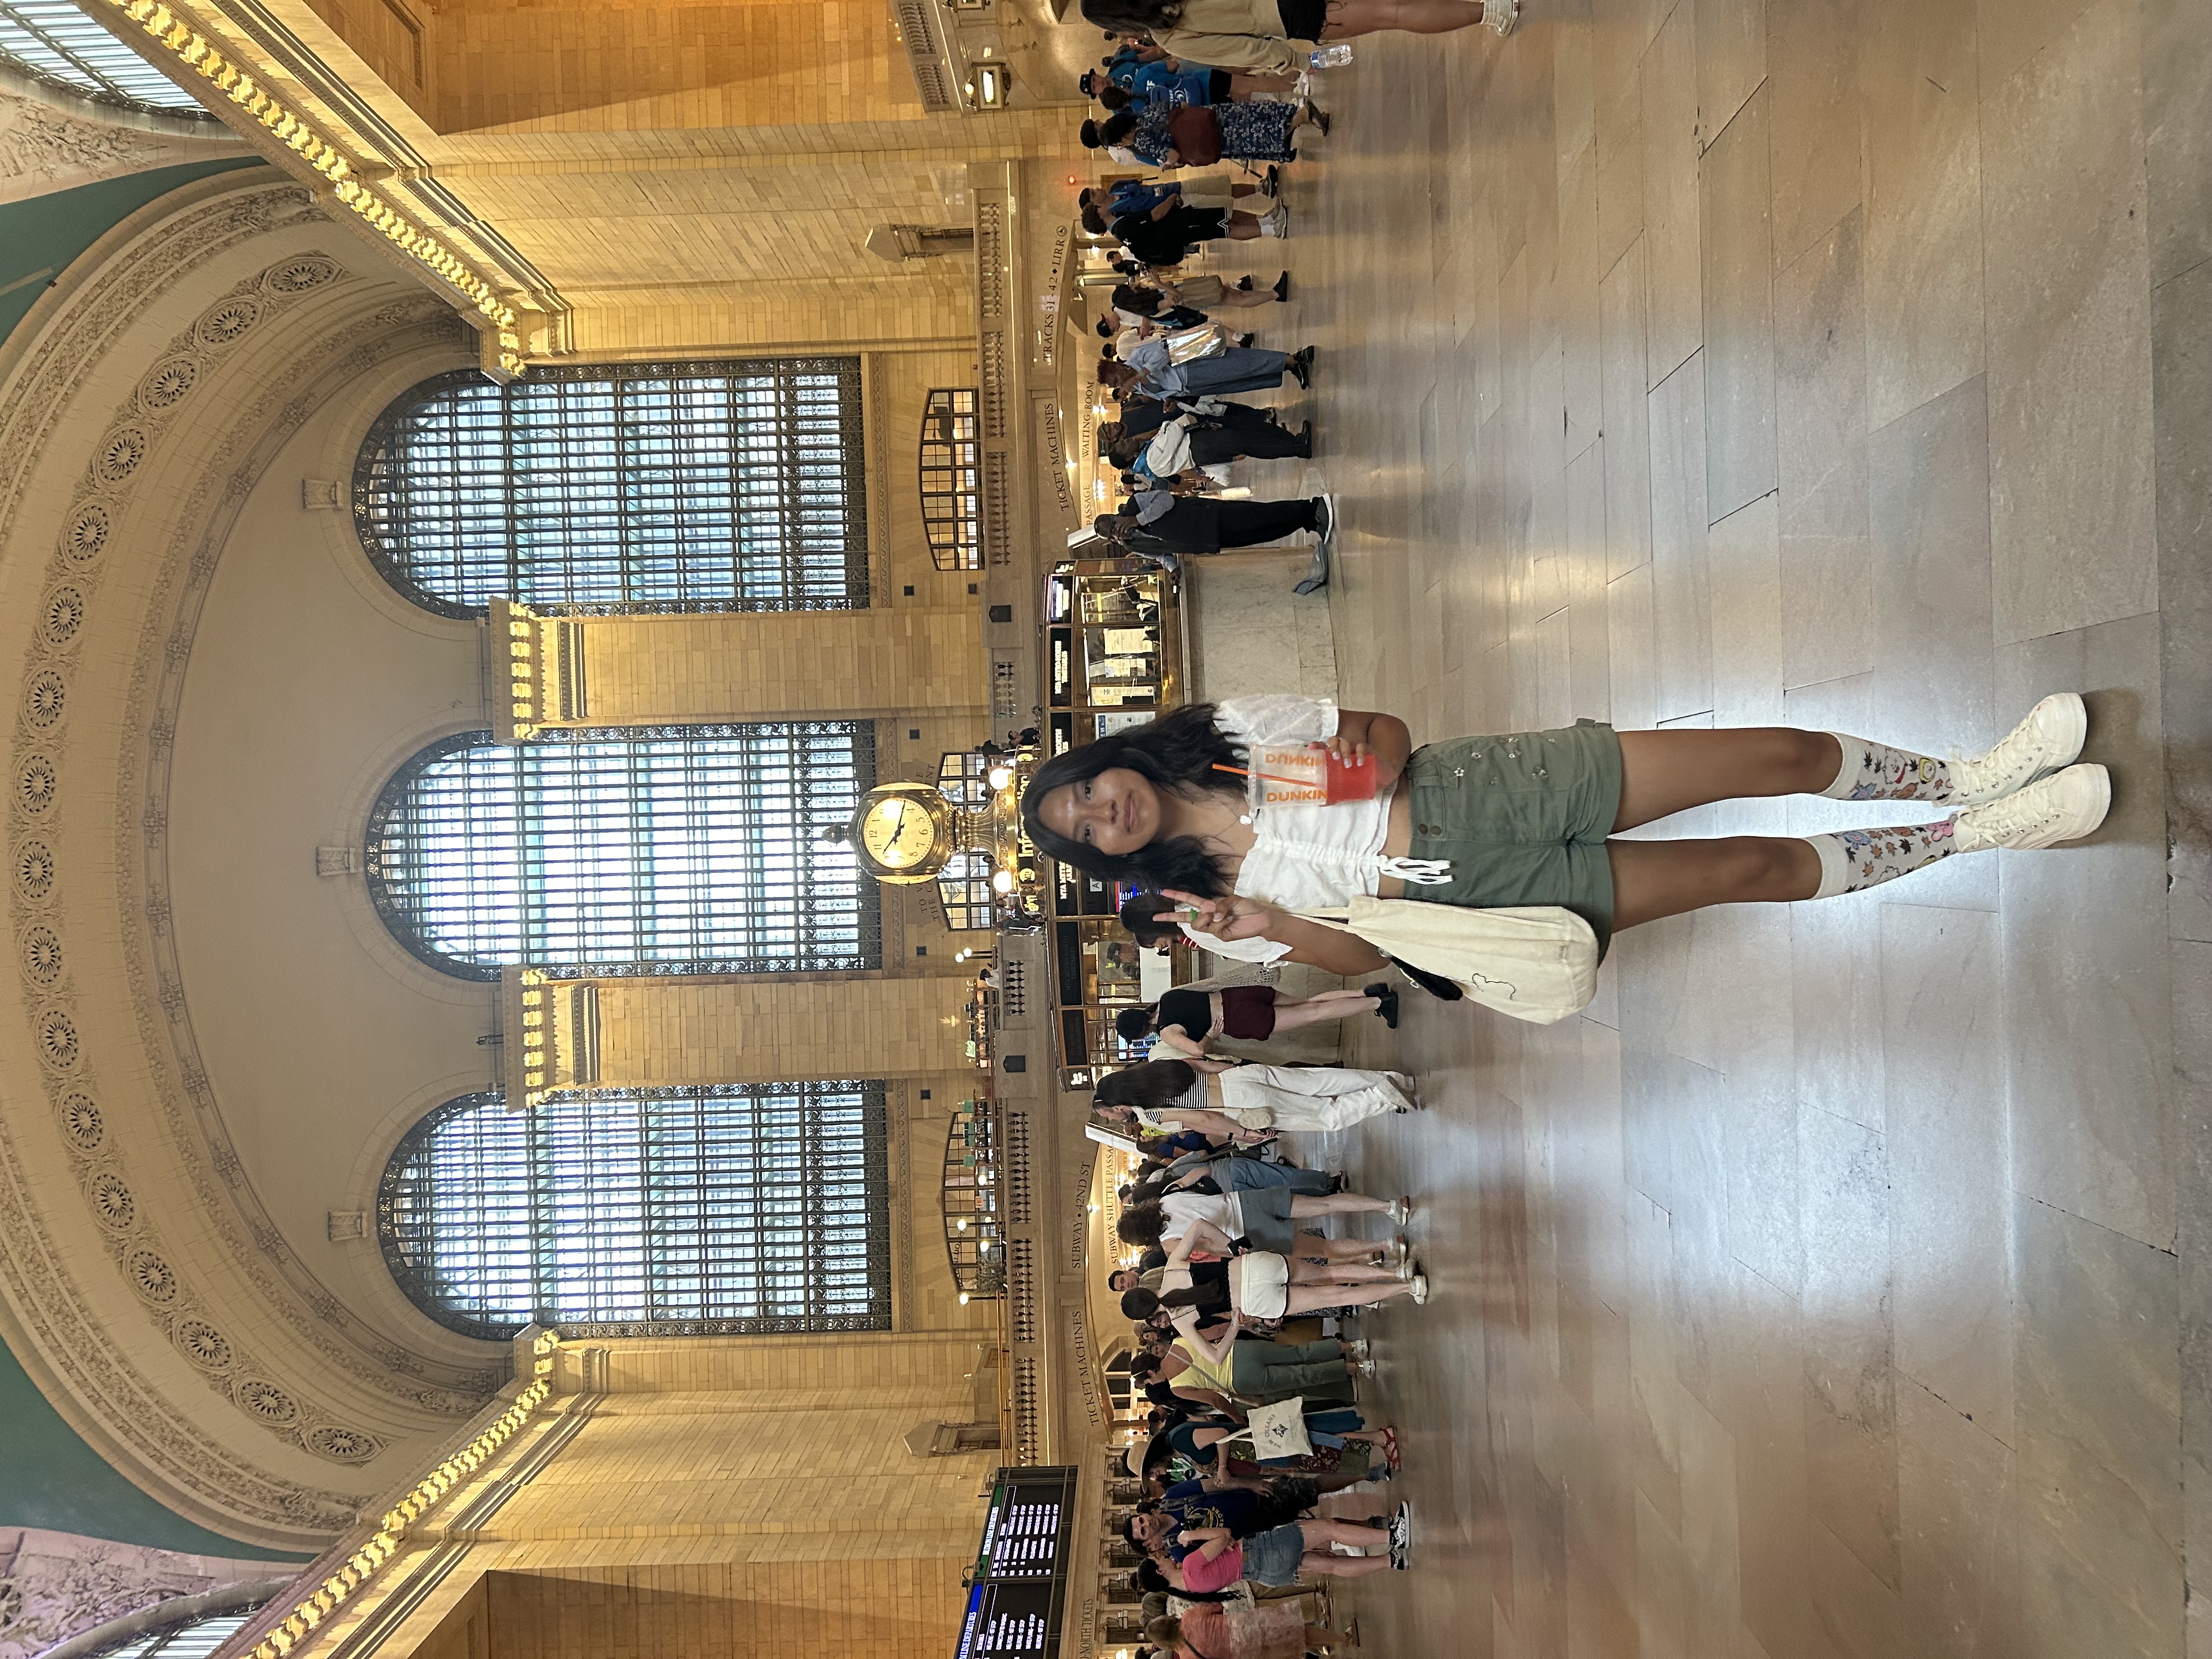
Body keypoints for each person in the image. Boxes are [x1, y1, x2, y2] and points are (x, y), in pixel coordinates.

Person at [1022, 693, 2109, 975]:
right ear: (1106, 857)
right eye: (1087, 832)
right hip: (1462, 896)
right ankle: (1980, 831)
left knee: (1772, 753)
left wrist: (1354, 762)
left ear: (1104, 762)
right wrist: (1267, 924)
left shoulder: (1223, 737)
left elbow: (1385, 730)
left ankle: (1969, 773)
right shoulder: (1208, 913)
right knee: (1749, 867)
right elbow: (1362, 956)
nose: (1104, 812)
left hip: (1486, 788)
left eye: (1087, 792)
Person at [1081, 0, 1518, 77]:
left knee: (1392, 13)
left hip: (1290, 14)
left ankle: (1490, 10)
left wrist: (1295, 63)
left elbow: (1246, 49)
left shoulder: (1172, 35)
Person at [1098, 1053, 1417, 1136]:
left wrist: (1243, 1133)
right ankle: (1391, 1079)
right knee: (1317, 1081)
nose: (1113, 1117)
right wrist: (1234, 1069)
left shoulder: (1151, 1113)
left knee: (1324, 1118)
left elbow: (1203, 1118)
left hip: (1238, 1104)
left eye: (1109, 1112)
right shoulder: (1155, 1069)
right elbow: (1200, 1064)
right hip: (1238, 1077)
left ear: (1117, 1103)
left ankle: (1381, 1095)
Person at [1118, 981, 1392, 1058]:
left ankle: (1379, 1002)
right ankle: (1365, 992)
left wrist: (1211, 1035)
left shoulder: (1166, 1032)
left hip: (1239, 1019)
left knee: (1314, 1014)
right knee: (1309, 1002)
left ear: (1140, 1033)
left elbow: (1198, 1051)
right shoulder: (1167, 998)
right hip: (1238, 996)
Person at [1146, 1605, 1355, 1658]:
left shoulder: (1186, 1657)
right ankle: (1343, 1638)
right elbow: (1218, 1607)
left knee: (1292, 1646)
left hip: (1244, 1653)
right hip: (1245, 1626)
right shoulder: (1190, 1617)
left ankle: (1336, 1642)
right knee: (1297, 1632)